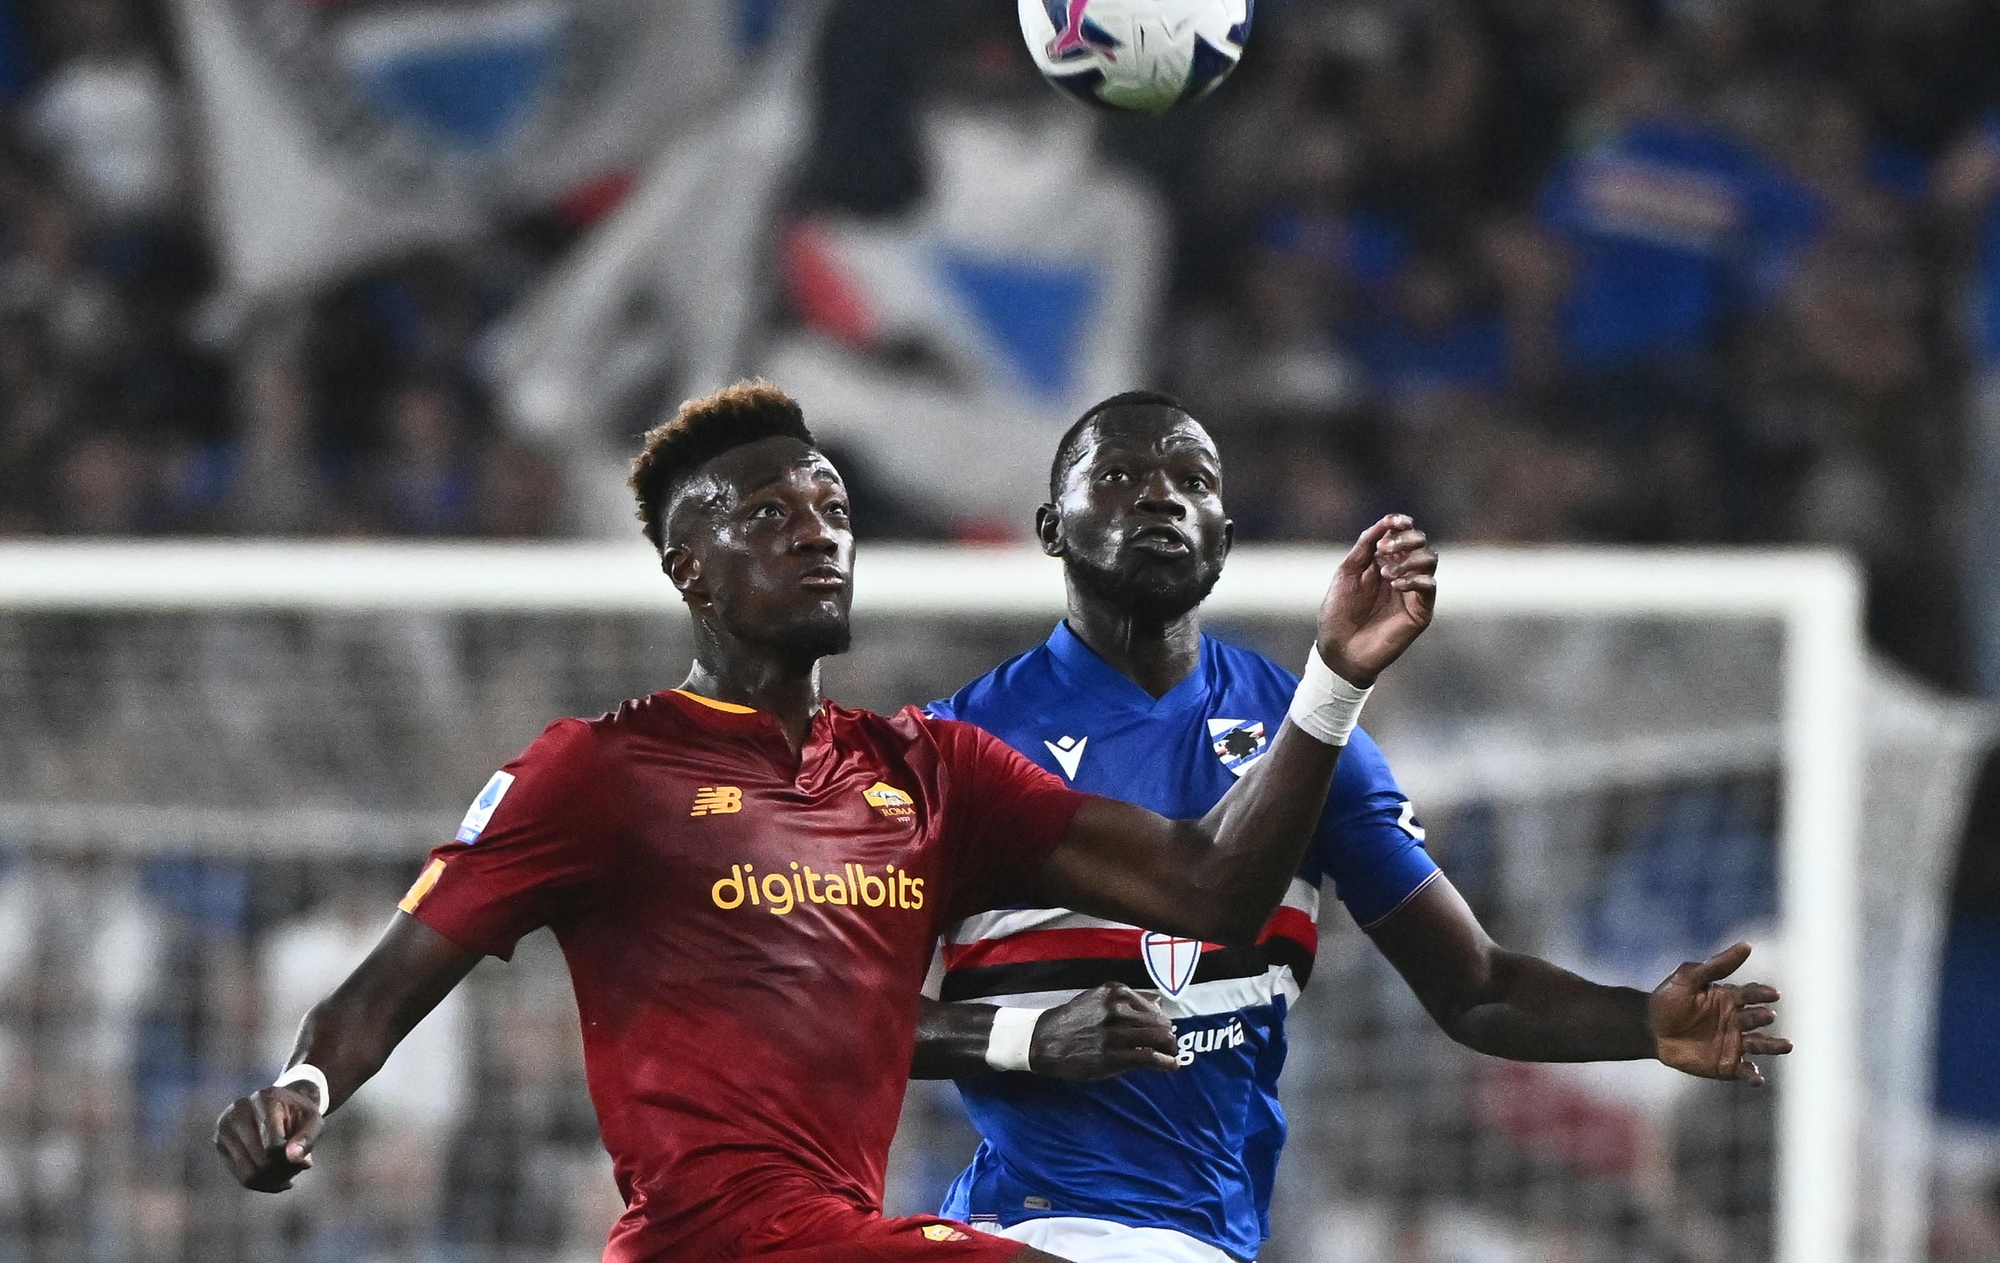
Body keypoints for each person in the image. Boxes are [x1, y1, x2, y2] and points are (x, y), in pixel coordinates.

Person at [212, 380, 1440, 1263]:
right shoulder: (600, 770)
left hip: (841, 1231)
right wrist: (303, 1086)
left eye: (833, 505)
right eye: (767, 514)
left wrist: (1331, 679)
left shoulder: (928, 771)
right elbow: (383, 987)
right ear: (688, 568)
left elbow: (1211, 887)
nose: (816, 530)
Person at [913, 390, 1791, 1263]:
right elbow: (856, 1013)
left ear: (1223, 537)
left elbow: (1475, 986)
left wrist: (1642, 1023)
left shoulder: (1302, 731)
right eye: (1116, 475)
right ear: (1051, 527)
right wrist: (1029, 1038)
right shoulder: (956, 745)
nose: (1160, 496)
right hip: (1026, 1227)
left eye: (1192, 479)